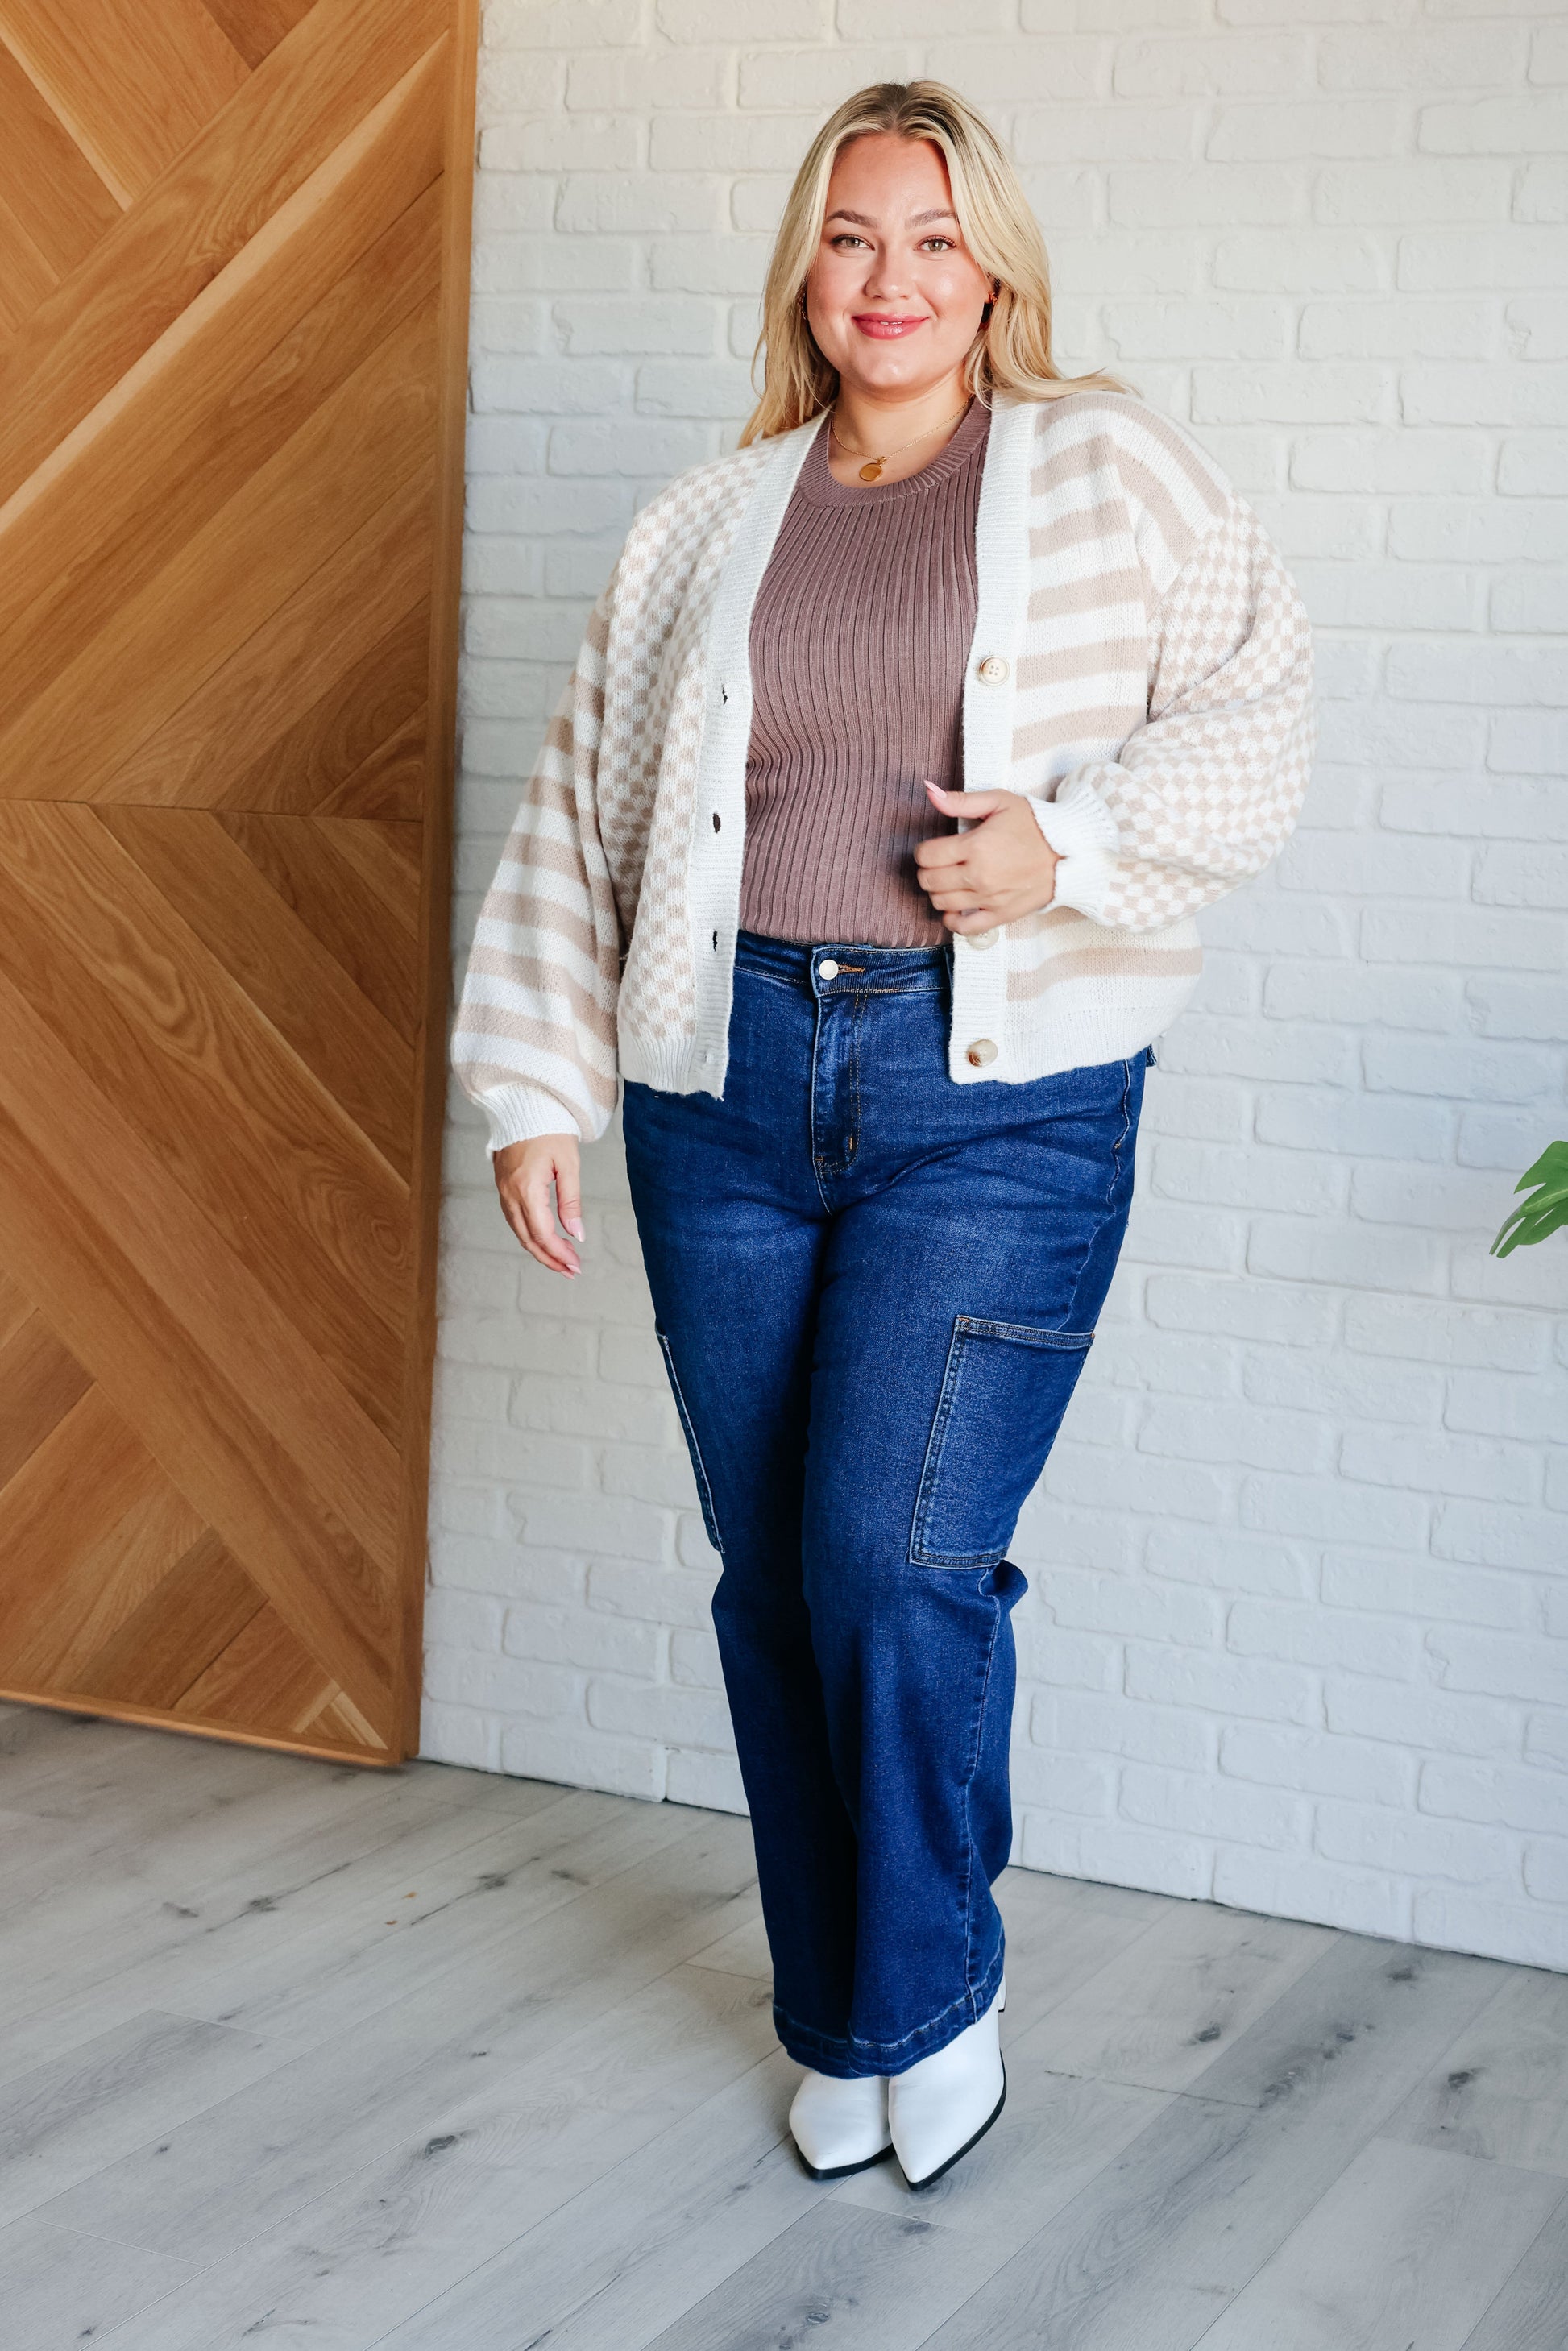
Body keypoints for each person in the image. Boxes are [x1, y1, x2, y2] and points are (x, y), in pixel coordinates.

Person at [451, 80, 1315, 2191]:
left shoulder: (1104, 468)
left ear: (993, 268)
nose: (891, 279)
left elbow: (1261, 704)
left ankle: (929, 1991)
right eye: (852, 237)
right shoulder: (707, 521)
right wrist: (538, 1083)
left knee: (890, 1560)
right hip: (723, 1086)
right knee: (771, 1576)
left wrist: (1066, 849)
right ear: (805, 271)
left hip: (991, 1106)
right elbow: (585, 806)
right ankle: (842, 2010)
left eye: (932, 238)